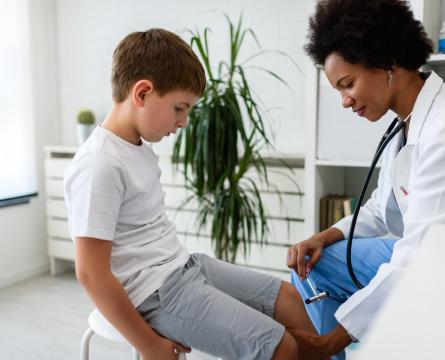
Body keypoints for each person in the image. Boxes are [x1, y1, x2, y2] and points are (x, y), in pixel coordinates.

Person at [64, 28, 318, 360]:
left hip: (184, 267)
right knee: (281, 347)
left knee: (289, 300)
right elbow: (90, 273)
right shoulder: (100, 164)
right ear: (142, 93)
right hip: (154, 293)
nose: (183, 122)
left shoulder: (138, 147)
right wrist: (149, 344)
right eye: (179, 108)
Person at [286, 0, 445, 359]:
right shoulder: (404, 122)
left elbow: (423, 255)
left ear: (386, 61)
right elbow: (381, 208)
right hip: (430, 258)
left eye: (347, 84)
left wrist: (332, 340)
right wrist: (321, 237)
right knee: (313, 264)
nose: (345, 101)